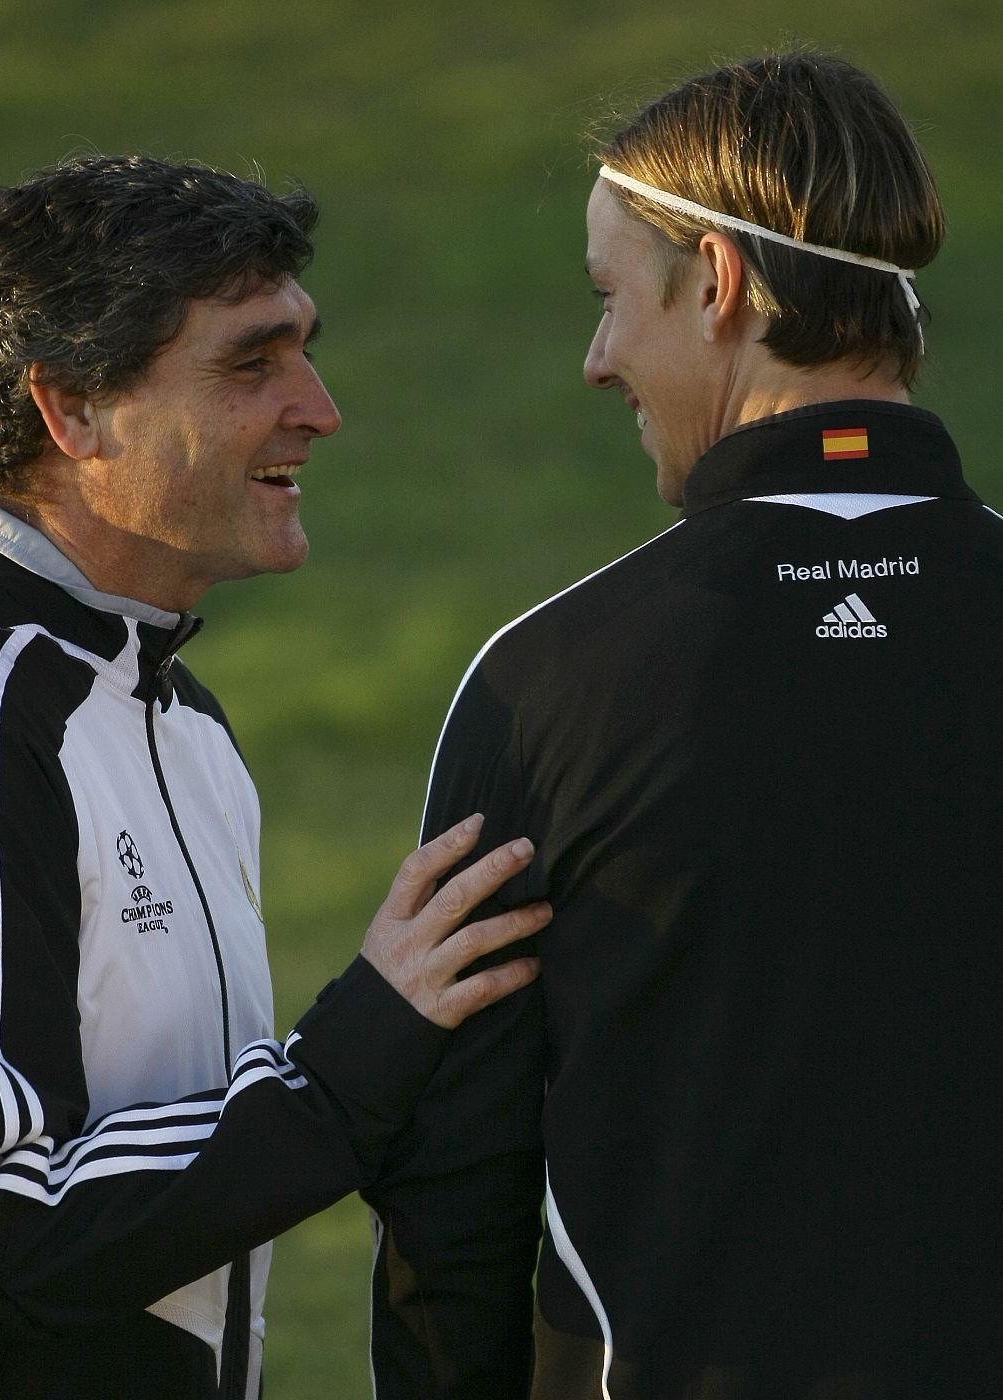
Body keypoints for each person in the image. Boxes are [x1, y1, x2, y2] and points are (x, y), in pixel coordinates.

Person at [0, 154, 550, 1400]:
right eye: (250, 362)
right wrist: (345, 1071)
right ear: (72, 413)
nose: (318, 407)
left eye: (304, 351)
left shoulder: (177, 716)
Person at [366, 53, 1001, 1400]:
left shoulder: (545, 685)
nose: (596, 362)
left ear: (715, 284)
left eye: (608, 300)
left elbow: (459, 1180)